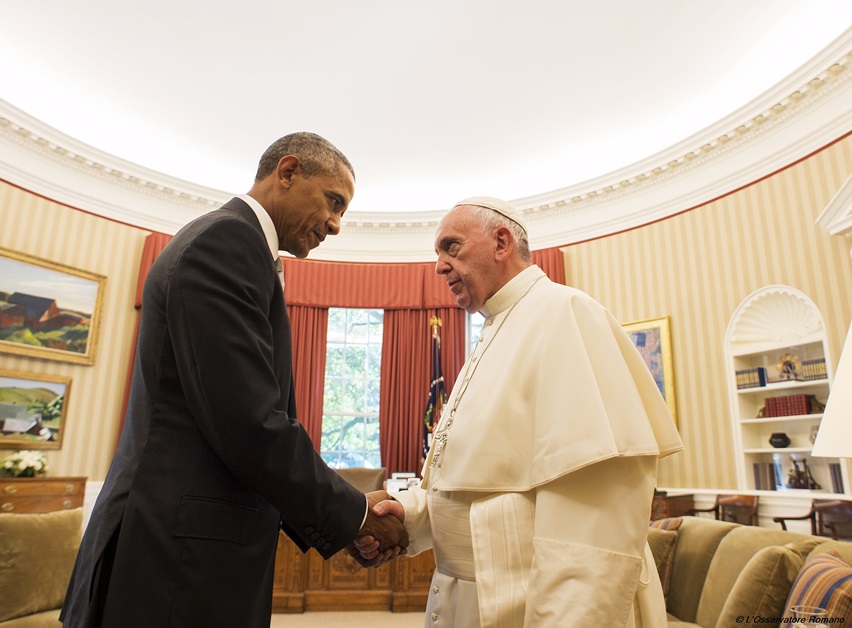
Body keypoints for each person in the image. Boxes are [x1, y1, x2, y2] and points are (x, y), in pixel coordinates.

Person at [61, 132, 407, 628]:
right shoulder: (226, 242)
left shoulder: (240, 247)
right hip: (174, 560)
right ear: (287, 172)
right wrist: (352, 513)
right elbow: (249, 424)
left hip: (189, 551)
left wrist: (345, 511)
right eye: (334, 203)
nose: (335, 225)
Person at [353, 197, 684, 627]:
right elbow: (481, 490)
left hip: (534, 604)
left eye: (450, 247)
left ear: (502, 242)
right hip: (473, 596)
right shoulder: (494, 331)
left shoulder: (565, 313)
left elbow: (591, 521)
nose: (438, 266)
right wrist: (412, 514)